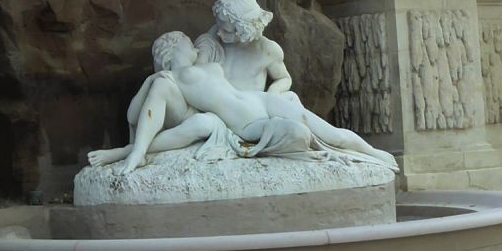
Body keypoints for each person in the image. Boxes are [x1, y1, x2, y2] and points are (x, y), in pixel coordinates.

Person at [88, 32, 398, 175]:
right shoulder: (167, 80)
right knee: (301, 135)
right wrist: (148, 84)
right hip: (250, 126)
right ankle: (131, 154)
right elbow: (135, 114)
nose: (193, 42)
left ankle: (372, 154)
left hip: (262, 101)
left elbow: (217, 30)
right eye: (185, 40)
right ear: (173, 49)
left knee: (333, 133)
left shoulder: (205, 63)